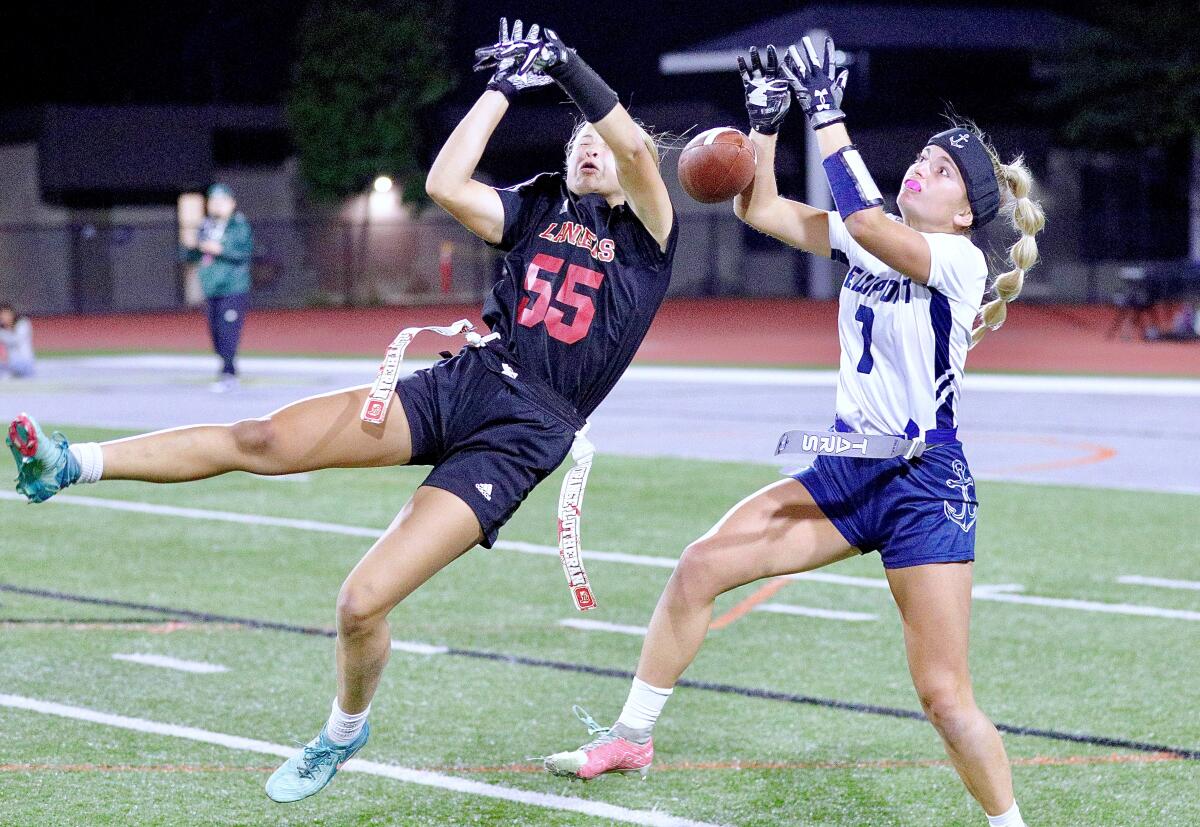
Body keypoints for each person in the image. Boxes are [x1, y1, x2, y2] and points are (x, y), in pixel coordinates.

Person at [6, 17, 678, 805]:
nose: (590, 147)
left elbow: (632, 148)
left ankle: (341, 731)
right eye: (578, 142)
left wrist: (564, 65)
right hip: (465, 381)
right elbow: (443, 185)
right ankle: (69, 462)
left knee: (360, 602)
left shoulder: (646, 236)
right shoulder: (536, 210)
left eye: (598, 140)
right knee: (259, 436)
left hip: (527, 431)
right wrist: (502, 87)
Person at [544, 36, 1044, 827]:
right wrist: (765, 124)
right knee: (699, 565)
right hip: (845, 470)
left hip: (924, 485)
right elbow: (762, 209)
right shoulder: (872, 229)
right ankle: (632, 736)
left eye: (943, 171)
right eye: (924, 156)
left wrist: (829, 111)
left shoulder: (957, 262)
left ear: (962, 211)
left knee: (944, 698)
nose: (924, 167)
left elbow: (872, 228)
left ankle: (1008, 822)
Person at [183, 183, 253, 393]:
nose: (217, 206)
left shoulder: (238, 225)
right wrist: (190, 246)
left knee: (228, 331)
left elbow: (243, 252)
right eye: (213, 201)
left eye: (222, 201)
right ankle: (226, 366)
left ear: (231, 203)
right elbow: (194, 256)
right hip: (212, 287)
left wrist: (219, 249)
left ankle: (228, 372)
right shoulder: (206, 225)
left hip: (233, 286)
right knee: (215, 333)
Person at [0, 302, 35, 379]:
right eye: (2, 315)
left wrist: (2, 334)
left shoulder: (23, 323)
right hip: (11, 364)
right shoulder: (3, 330)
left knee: (10, 364)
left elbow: (16, 340)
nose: (5, 317)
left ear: (12, 313)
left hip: (25, 363)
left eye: (6, 314)